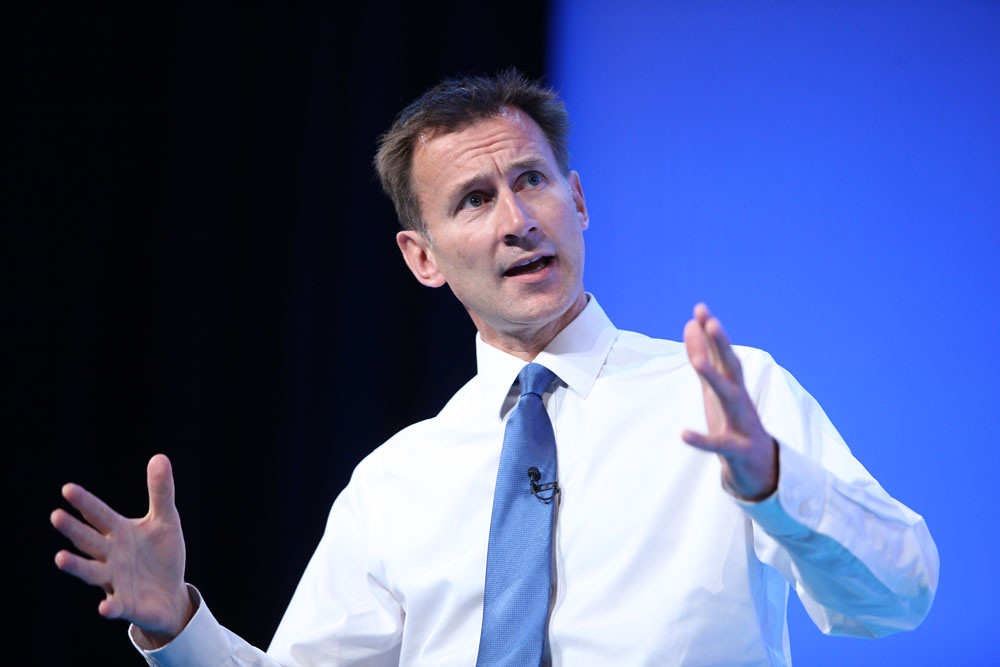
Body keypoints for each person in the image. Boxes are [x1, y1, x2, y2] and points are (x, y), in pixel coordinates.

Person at [51, 70, 938, 666]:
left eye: (533, 181)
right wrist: (177, 625)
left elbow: (900, 596)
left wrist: (773, 483)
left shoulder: (730, 401)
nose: (517, 219)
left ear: (579, 200)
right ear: (422, 256)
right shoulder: (395, 481)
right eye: (474, 199)